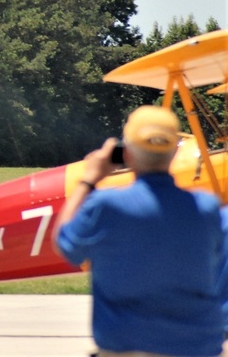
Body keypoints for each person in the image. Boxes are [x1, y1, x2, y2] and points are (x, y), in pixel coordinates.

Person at [52, 105, 225, 357]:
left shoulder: (106, 205)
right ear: (174, 152)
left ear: (127, 154)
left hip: (127, 347)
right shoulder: (208, 208)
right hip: (197, 348)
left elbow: (65, 244)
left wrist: (89, 179)